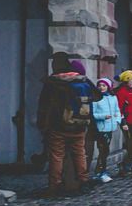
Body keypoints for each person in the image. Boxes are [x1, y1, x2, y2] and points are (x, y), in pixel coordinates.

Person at [37, 52, 99, 196]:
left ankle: (55, 185)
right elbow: (97, 97)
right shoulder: (82, 80)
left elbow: (43, 105)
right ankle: (83, 181)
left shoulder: (52, 81)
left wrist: (42, 124)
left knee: (57, 155)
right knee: (80, 153)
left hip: (57, 125)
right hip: (79, 124)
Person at [91, 78, 122, 183]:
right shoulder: (95, 99)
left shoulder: (113, 97)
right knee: (103, 150)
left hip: (110, 127)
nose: (101, 87)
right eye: (99, 85)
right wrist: (103, 116)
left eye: (104, 85)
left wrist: (117, 120)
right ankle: (101, 172)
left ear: (108, 87)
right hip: (100, 128)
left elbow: (117, 110)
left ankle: (100, 171)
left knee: (105, 150)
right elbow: (92, 114)